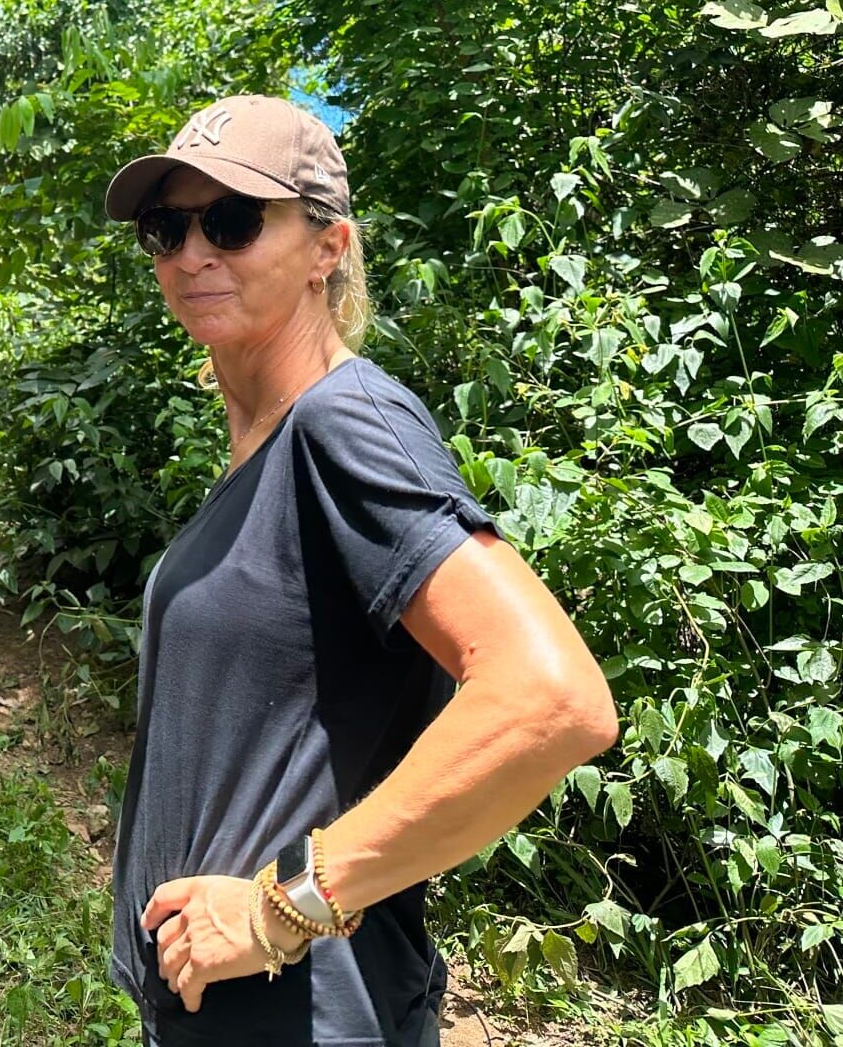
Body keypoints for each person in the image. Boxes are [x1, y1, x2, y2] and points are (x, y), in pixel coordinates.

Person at [100, 95, 620, 1046]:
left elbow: (550, 698)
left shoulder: (345, 424)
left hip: (306, 1017)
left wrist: (282, 907)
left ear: (327, 246)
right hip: (221, 1009)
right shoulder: (270, 443)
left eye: (232, 220)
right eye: (165, 227)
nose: (190, 254)